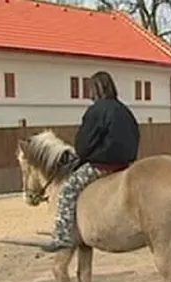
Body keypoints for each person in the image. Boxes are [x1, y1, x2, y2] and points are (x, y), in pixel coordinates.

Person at [41, 70, 140, 252]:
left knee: (68, 189)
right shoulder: (124, 110)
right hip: (125, 164)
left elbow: (83, 145)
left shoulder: (96, 111)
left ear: (95, 89)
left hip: (103, 165)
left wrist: (86, 155)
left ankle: (62, 236)